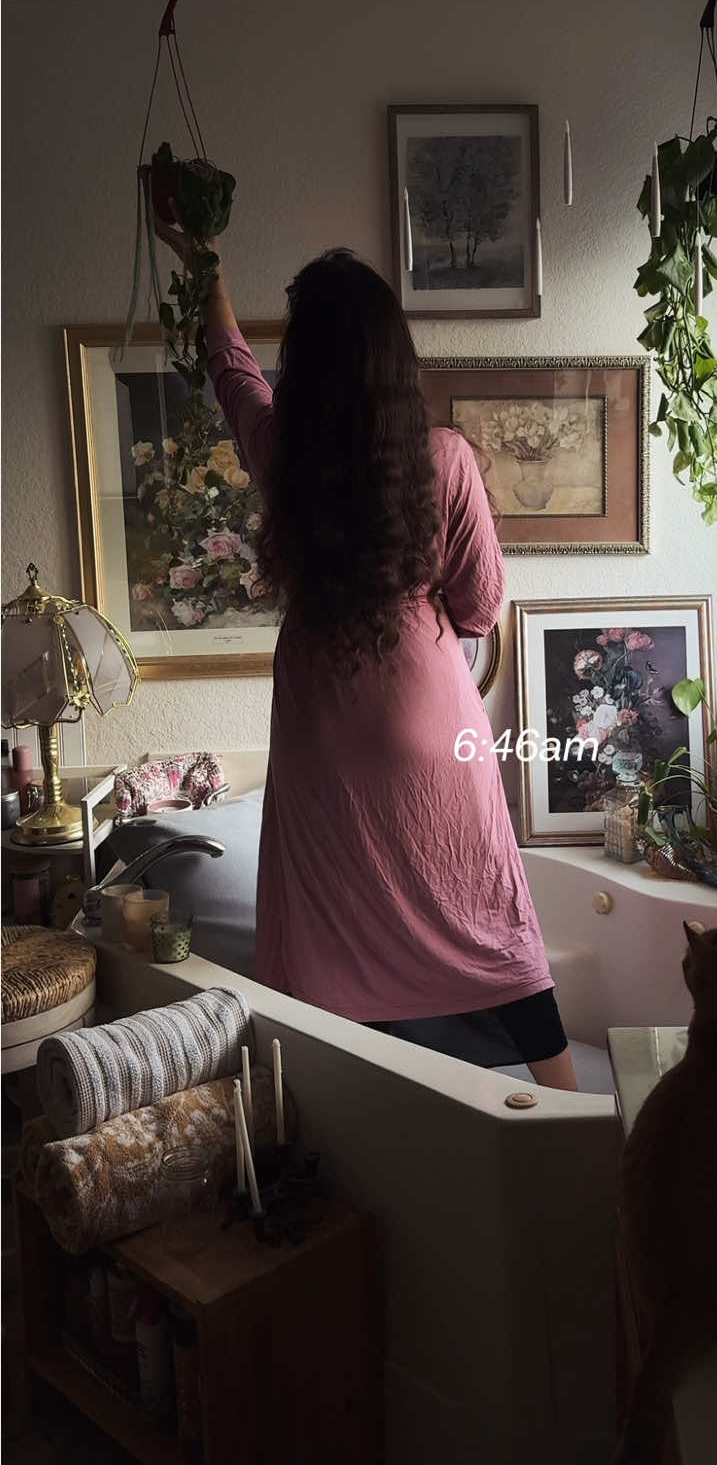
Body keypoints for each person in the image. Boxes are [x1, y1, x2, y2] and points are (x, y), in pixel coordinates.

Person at [155, 231, 578, 1091]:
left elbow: (232, 369)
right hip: (427, 722)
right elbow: (480, 607)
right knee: (489, 922)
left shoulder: (285, 454)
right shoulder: (444, 458)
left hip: (321, 732)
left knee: (329, 952)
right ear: (395, 360)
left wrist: (207, 264)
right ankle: (577, 1123)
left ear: (304, 365)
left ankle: (351, 1129)